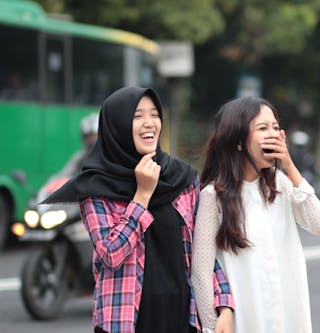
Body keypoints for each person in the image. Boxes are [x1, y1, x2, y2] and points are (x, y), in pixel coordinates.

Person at [43, 87, 234, 333]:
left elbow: (202, 253)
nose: (149, 124)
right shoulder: (97, 187)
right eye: (137, 116)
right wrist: (142, 195)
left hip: (181, 316)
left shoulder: (181, 178)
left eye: (154, 115)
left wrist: (224, 304)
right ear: (117, 125)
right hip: (126, 320)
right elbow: (111, 254)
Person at [191, 96, 320, 333]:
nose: (273, 134)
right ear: (237, 141)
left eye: (276, 127)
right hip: (244, 317)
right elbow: (201, 272)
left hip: (285, 314)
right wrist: (211, 324)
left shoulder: (280, 184)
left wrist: (290, 166)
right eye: (263, 128)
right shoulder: (213, 196)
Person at [50, 112, 99, 180]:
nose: (91, 140)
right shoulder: (81, 157)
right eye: (88, 136)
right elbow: (63, 175)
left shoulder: (110, 158)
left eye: (94, 136)